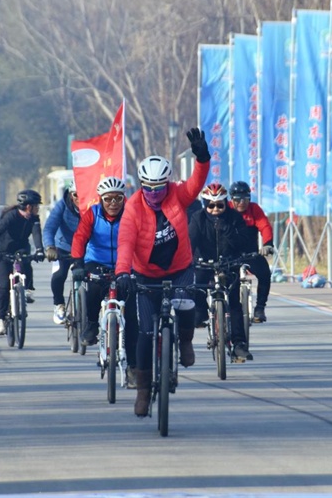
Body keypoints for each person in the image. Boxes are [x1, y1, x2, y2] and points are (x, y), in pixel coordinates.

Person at [115, 127, 210, 417]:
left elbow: (196, 183)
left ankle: (185, 341)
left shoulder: (177, 195)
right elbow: (125, 243)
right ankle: (143, 391)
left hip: (179, 268)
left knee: (185, 303)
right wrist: (122, 273)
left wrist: (202, 157)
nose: (154, 193)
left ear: (167, 184)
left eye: (159, 188)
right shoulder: (132, 208)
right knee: (145, 332)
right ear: (141, 185)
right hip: (145, 274)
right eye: (148, 187)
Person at [71, 176, 139, 387]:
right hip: (96, 261)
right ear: (101, 199)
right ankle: (92, 325)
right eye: (108, 199)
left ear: (124, 198)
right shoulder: (92, 214)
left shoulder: (132, 213)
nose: (113, 203)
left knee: (132, 315)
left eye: (118, 198)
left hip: (125, 264)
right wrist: (78, 264)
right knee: (92, 289)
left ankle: (133, 367)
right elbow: (80, 238)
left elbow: (142, 239)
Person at [189, 182, 251, 362]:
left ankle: (239, 343)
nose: (215, 209)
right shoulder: (197, 218)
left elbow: (243, 242)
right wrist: (188, 260)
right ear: (205, 204)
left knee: (234, 302)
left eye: (219, 205)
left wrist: (226, 230)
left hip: (228, 263)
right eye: (211, 205)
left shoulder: (234, 218)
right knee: (197, 287)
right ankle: (201, 313)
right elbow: (190, 242)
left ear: (226, 204)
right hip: (204, 263)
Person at [0, 189, 45, 335]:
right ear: (28, 207)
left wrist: (40, 250)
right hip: (2, 251)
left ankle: (28, 290)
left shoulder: (34, 219)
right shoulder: (11, 216)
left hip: (20, 249)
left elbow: (37, 234)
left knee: (26, 263)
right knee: (4, 286)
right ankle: (0, 318)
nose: (38, 208)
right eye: (36, 206)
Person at [228, 181, 274, 323]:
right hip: (230, 254)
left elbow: (265, 226)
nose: (242, 203)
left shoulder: (254, 209)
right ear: (231, 199)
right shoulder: (226, 209)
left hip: (250, 253)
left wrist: (267, 244)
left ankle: (260, 308)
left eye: (245, 199)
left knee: (265, 274)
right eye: (238, 199)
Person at [43, 180, 81, 325]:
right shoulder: (62, 206)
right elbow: (49, 228)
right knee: (59, 274)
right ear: (71, 195)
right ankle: (58, 304)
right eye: (76, 195)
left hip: (85, 248)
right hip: (63, 247)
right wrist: (49, 247)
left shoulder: (93, 206)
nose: (79, 198)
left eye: (83, 195)